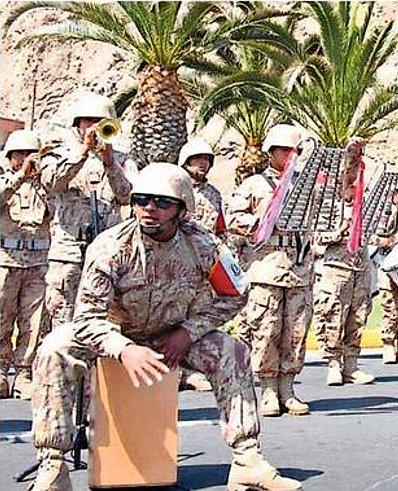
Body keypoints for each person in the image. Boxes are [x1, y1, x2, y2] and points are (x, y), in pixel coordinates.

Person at [28, 162, 302, 491]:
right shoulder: (111, 246)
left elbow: (236, 293)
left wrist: (188, 333)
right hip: (114, 334)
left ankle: (247, 460)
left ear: (182, 210)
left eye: (161, 202)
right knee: (53, 349)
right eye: (141, 200)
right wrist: (123, 349)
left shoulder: (203, 245)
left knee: (234, 352)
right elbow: (87, 318)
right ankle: (53, 465)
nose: (149, 209)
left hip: (173, 333)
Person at [227, 124, 312, 417]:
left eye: (295, 151)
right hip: (266, 268)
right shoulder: (254, 185)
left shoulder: (304, 187)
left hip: (299, 268)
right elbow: (233, 218)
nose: (291, 156)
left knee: (296, 330)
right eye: (286, 151)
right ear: (272, 152)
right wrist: (263, 222)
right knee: (266, 328)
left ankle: (288, 387)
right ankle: (267, 390)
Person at [40, 93, 136, 328]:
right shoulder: (60, 155)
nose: (94, 126)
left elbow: (127, 197)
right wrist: (82, 152)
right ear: (77, 124)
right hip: (69, 254)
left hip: (107, 254)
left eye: (100, 121)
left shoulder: (123, 161)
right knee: (64, 321)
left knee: (104, 320)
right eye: (88, 121)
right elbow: (52, 183)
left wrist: (109, 162)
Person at [313, 138, 375, 386]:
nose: (352, 180)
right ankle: (333, 363)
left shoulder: (365, 204)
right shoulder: (328, 205)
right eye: (349, 175)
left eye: (356, 175)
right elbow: (315, 235)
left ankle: (352, 364)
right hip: (336, 266)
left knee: (358, 314)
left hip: (360, 265)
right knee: (332, 313)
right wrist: (335, 234)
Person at [0, 130, 51, 399]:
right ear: (10, 156)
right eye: (20, 154)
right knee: (2, 318)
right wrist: (19, 178)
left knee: (34, 322)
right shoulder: (5, 181)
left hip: (38, 262)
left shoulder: (47, 185)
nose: (25, 159)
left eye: (31, 154)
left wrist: (40, 179)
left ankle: (23, 373)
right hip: (6, 261)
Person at [176, 138, 228, 392]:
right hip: (177, 263)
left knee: (200, 317)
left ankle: (195, 370)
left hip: (205, 265)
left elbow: (220, 230)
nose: (203, 165)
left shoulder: (213, 194)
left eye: (206, 160)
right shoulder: (176, 188)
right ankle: (177, 373)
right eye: (197, 160)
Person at [376, 181, 398, 364]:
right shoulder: (385, 213)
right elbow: (377, 237)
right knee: (390, 306)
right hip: (387, 265)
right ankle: (388, 343)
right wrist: (392, 239)